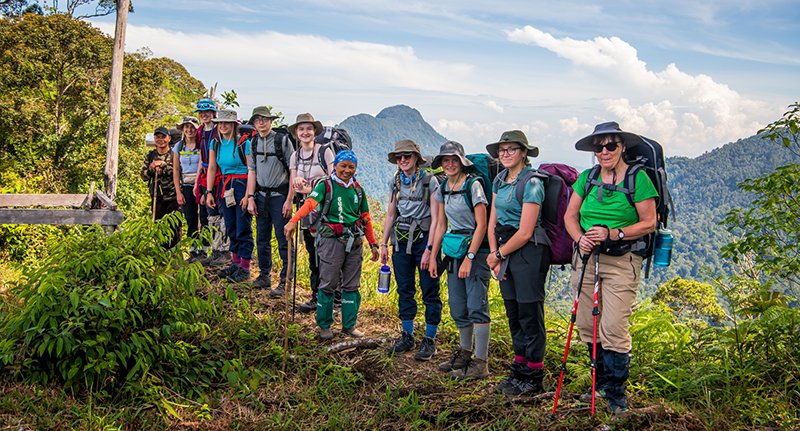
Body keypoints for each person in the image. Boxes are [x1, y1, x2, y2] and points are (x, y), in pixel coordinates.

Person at [564, 122, 657, 414]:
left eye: (611, 145)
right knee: (587, 325)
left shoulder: (638, 178)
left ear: (622, 147)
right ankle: (601, 385)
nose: (604, 151)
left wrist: (614, 233)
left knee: (613, 326)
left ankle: (616, 396)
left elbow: (649, 222)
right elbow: (570, 216)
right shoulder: (588, 177)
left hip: (621, 260)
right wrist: (579, 239)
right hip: (586, 258)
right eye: (599, 147)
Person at [285, 150, 379, 340]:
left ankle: (349, 325)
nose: (347, 170)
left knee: (351, 286)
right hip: (331, 241)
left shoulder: (358, 190)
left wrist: (373, 244)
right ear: (335, 166)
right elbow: (310, 203)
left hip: (354, 241)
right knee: (327, 284)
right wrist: (294, 220)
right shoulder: (326, 185)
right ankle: (325, 325)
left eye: (351, 167)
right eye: (343, 165)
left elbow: (365, 218)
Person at [485, 130, 550, 396]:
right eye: (502, 150)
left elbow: (525, 231)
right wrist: (494, 254)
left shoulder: (532, 183)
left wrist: (498, 255)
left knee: (529, 314)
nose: (506, 154)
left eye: (512, 149)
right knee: (514, 313)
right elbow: (492, 221)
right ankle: (519, 371)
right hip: (504, 251)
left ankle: (533, 378)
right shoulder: (499, 179)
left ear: (524, 153)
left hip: (529, 252)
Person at [427, 141, 492, 379]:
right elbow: (441, 225)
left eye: (454, 160)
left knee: (477, 306)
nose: (450, 164)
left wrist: (470, 258)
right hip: (454, 252)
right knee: (458, 306)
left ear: (462, 162)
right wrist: (433, 256)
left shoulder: (473, 185)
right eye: (446, 160)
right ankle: (465, 353)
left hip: (476, 252)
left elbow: (482, 225)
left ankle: (481, 363)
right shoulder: (444, 186)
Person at [382, 139, 441, 361]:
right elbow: (391, 214)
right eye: (399, 156)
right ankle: (407, 335)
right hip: (401, 240)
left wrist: (430, 249)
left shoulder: (429, 181)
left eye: (407, 155)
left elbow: (436, 219)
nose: (403, 159)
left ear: (416, 157)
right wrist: (384, 244)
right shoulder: (395, 181)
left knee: (429, 289)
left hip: (424, 239)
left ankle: (430, 339)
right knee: (404, 288)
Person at [288, 113, 336, 313]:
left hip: (325, 212)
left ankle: (332, 298)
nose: (305, 132)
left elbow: (333, 182)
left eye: (309, 128)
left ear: (315, 131)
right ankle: (316, 296)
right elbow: (293, 185)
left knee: (328, 255)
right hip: (307, 212)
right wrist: (291, 197)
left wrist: (309, 188)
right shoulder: (295, 156)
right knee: (312, 254)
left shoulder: (325, 152)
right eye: (301, 129)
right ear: (296, 133)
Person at [245, 106, 295, 295]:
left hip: (280, 197)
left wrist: (290, 199)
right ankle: (264, 275)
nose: (261, 122)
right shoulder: (253, 142)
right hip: (261, 197)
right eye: (257, 119)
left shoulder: (282, 140)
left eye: (264, 119)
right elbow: (252, 171)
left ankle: (286, 281)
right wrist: (250, 197)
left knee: (284, 239)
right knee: (262, 238)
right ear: (254, 123)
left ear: (271, 121)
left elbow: (293, 170)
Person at [205, 109, 253, 283]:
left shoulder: (243, 143)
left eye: (226, 123)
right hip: (225, 186)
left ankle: (245, 268)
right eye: (220, 123)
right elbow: (212, 168)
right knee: (230, 225)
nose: (223, 126)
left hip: (242, 185)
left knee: (243, 226)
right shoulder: (215, 143)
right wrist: (209, 192)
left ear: (234, 125)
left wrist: (248, 195)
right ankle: (235, 262)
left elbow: (251, 169)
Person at [193, 98, 231, 268]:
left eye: (207, 112)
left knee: (223, 214)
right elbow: (202, 158)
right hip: (206, 176)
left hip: (221, 175)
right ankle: (215, 250)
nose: (204, 115)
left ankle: (225, 251)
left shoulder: (219, 130)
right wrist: (198, 182)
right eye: (201, 112)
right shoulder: (200, 132)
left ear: (214, 113)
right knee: (211, 215)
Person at [172, 116, 209, 262]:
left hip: (202, 184)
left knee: (205, 217)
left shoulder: (202, 145)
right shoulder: (179, 146)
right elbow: (176, 170)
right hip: (186, 184)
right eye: (186, 127)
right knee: (190, 217)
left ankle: (205, 249)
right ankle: (193, 249)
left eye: (192, 127)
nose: (189, 130)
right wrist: (178, 191)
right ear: (182, 129)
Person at [141, 126, 181, 249]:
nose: (160, 140)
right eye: (157, 137)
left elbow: (178, 172)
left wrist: (163, 165)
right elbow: (143, 176)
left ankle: (175, 254)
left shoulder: (174, 154)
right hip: (157, 197)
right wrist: (152, 168)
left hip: (174, 197)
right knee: (159, 228)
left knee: (175, 228)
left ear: (169, 138)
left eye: (163, 137)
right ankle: (161, 253)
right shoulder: (150, 156)